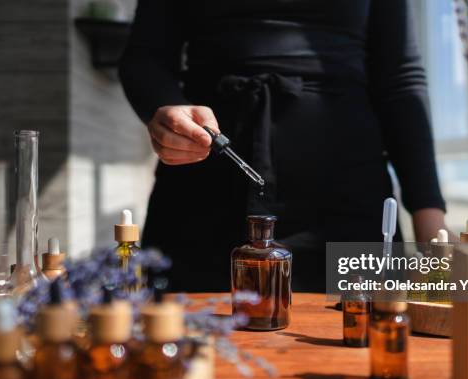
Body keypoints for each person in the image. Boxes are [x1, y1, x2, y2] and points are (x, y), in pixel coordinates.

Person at [119, 0, 450, 292]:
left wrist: (433, 230)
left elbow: (399, 80)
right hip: (204, 188)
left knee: (362, 345)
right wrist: (165, 108)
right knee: (183, 349)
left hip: (349, 199)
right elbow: (144, 59)